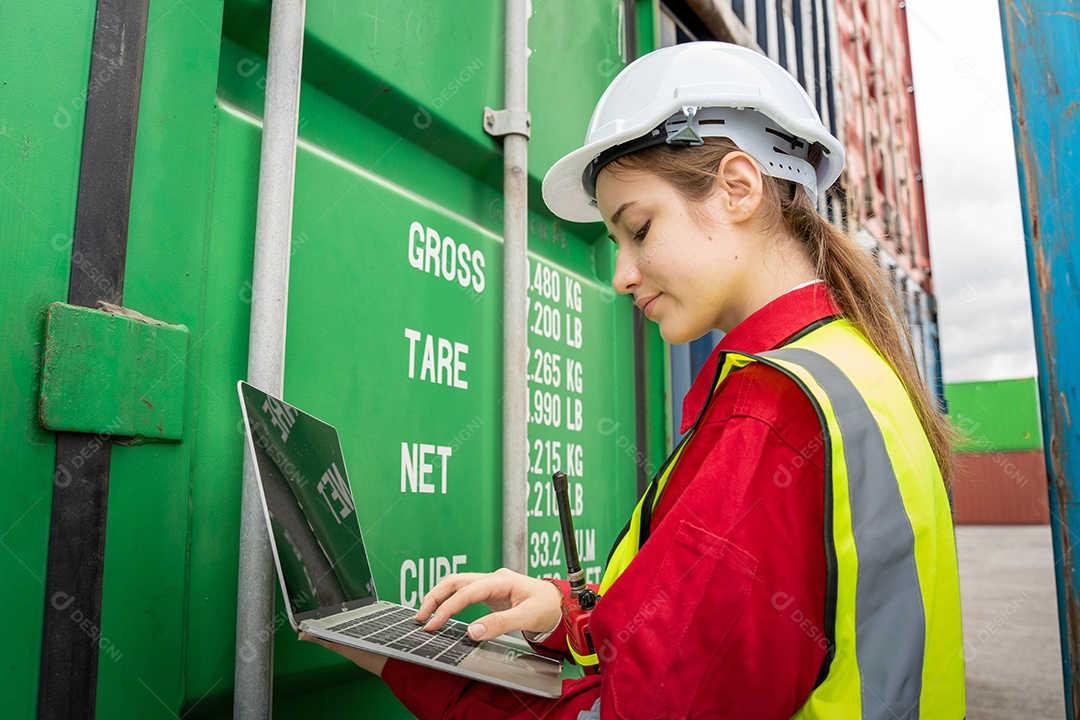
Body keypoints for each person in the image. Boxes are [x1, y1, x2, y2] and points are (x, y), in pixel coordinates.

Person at [302, 41, 966, 719]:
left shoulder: (772, 415)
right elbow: (722, 646)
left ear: (738, 188)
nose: (621, 274)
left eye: (639, 230)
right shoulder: (850, 369)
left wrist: (407, 667)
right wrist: (564, 617)